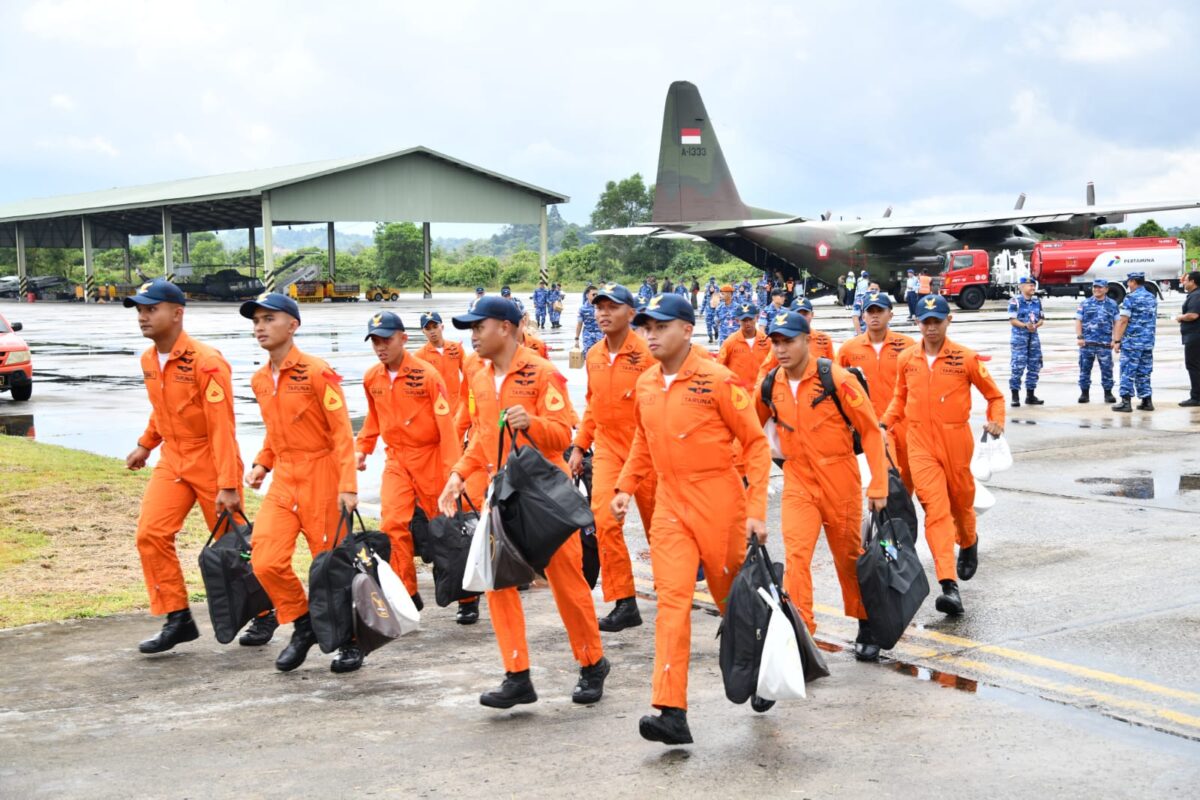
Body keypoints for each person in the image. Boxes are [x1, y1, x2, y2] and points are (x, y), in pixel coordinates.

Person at [611, 293, 770, 746]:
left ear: (687, 329)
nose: (651, 335)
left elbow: (756, 445)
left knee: (732, 598)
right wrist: (625, 487)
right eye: (647, 327)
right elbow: (643, 440)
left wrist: (756, 511)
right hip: (669, 503)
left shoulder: (719, 380)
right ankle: (671, 710)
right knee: (672, 603)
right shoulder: (646, 383)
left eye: (661, 326)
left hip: (718, 499)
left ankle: (763, 670)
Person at [438, 297, 608, 709]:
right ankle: (517, 675)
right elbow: (482, 435)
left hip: (543, 494)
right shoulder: (477, 374)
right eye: (471, 329)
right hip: (501, 492)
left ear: (506, 327)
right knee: (497, 581)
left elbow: (562, 433)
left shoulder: (542, 372)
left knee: (567, 582)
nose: (473, 336)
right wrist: (458, 474)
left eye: (479, 327)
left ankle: (592, 662)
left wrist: (531, 423)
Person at [123, 280, 262, 653]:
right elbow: (163, 410)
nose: (143, 316)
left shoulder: (207, 361)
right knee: (150, 534)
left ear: (177, 313)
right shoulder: (149, 360)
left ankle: (265, 611)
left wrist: (228, 484)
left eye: (151, 309)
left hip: (210, 458)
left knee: (233, 545)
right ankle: (177, 617)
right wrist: (145, 445)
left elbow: (222, 428)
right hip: (173, 458)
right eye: (140, 310)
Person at [759, 309, 888, 660]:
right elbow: (749, 432)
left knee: (848, 557)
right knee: (796, 555)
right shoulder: (770, 384)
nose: (781, 349)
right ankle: (802, 634)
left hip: (839, 478)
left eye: (788, 341)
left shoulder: (837, 378)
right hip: (798, 478)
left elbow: (871, 432)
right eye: (775, 342)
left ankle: (865, 620)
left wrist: (878, 485)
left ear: (806, 340)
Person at [241, 293, 359, 673]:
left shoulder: (317, 372)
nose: (260, 327)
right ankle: (304, 623)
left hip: (322, 473)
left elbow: (342, 433)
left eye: (268, 319)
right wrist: (263, 462)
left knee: (330, 565)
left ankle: (350, 640)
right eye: (256, 321)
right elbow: (275, 429)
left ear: (292, 325)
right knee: (264, 559)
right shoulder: (260, 380)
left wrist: (348, 485)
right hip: (284, 477)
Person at [881, 295, 1005, 616]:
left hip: (956, 441)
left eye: (937, 320)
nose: (931, 327)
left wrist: (996, 421)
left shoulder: (966, 358)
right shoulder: (907, 359)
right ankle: (948, 585)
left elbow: (994, 397)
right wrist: (883, 424)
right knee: (935, 511)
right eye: (926, 321)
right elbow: (899, 398)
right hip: (920, 444)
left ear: (949, 320)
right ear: (917, 323)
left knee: (961, 504)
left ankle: (969, 540)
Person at [356, 312, 463, 638]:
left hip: (430, 456)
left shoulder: (427, 375)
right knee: (392, 524)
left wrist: (454, 471)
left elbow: (446, 427)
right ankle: (407, 594)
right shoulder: (371, 378)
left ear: (403, 338)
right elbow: (373, 418)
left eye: (386, 339)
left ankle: (466, 595)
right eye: (375, 341)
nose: (380, 347)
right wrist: (363, 448)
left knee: (443, 525)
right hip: (396, 460)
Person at [568, 284, 657, 632]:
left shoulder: (648, 354)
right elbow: (593, 404)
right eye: (599, 307)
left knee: (659, 529)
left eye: (612, 307)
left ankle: (674, 593)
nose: (603, 313)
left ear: (631, 313)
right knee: (604, 522)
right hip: (608, 450)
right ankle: (624, 601)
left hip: (647, 452)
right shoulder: (594, 355)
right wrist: (580, 445)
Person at [837, 291, 917, 491]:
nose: (874, 315)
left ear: (890, 314)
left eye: (879, 311)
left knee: (906, 482)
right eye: (870, 311)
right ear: (863, 316)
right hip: (872, 424)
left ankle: (900, 511)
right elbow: (837, 387)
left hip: (905, 423)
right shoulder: (849, 349)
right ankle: (888, 509)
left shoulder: (908, 346)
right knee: (888, 478)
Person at [755, 297, 835, 384]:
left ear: (812, 314)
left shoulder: (823, 339)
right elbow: (765, 370)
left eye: (805, 314)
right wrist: (762, 389)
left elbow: (834, 368)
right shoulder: (781, 341)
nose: (802, 318)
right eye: (798, 314)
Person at [1111, 272, 1158, 412]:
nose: (1127, 284)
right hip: (1148, 341)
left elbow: (1123, 320)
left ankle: (1126, 402)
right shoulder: (1151, 297)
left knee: (1127, 371)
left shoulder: (1130, 298)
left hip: (1132, 342)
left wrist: (1117, 340)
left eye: (1129, 282)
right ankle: (1147, 401)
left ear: (1133, 282)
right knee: (1144, 371)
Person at [1075, 280, 1118, 404]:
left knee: (1107, 370)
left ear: (1106, 289)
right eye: (1095, 287)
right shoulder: (1085, 303)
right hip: (1087, 343)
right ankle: (1084, 393)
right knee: (1084, 369)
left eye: (1100, 287)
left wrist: (1115, 339)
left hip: (1105, 344)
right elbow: (1078, 321)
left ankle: (1108, 393)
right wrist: (1080, 337)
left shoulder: (1112, 304)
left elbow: (1117, 322)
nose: (1096, 290)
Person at [1008, 277, 1045, 407]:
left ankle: (1030, 395)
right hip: (1019, 338)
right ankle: (1015, 396)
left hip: (1033, 338)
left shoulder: (1037, 301)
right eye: (1030, 285)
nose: (1033, 288)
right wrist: (1025, 325)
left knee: (1035, 365)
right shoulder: (1015, 301)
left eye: (1033, 285)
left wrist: (1036, 325)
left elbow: (1041, 319)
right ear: (1021, 287)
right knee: (1018, 366)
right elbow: (1012, 320)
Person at [718, 303, 772, 387]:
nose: (748, 323)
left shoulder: (767, 341)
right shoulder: (729, 342)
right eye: (744, 320)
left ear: (757, 318)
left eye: (750, 319)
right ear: (737, 320)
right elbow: (719, 367)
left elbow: (775, 367)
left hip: (761, 391)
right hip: (738, 392)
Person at [1177, 271, 1200, 407]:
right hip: (1194, 335)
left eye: (1185, 280)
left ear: (1192, 282)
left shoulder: (1196, 296)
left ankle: (1196, 397)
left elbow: (1193, 315)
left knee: (1193, 365)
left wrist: (1180, 317)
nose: (1183, 283)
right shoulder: (1194, 295)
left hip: (1195, 336)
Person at [576, 284, 603, 354]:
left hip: (600, 335)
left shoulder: (602, 307)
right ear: (587, 295)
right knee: (589, 354)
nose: (596, 296)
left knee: (601, 355)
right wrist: (576, 339)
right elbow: (579, 324)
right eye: (593, 294)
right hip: (588, 336)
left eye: (597, 294)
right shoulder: (582, 309)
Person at [703, 277, 721, 342]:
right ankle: (710, 337)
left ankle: (716, 332)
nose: (711, 288)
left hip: (714, 312)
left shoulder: (716, 294)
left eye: (712, 288)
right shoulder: (706, 295)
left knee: (714, 324)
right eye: (710, 288)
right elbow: (703, 303)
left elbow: (720, 303)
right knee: (708, 325)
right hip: (708, 312)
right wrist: (701, 311)